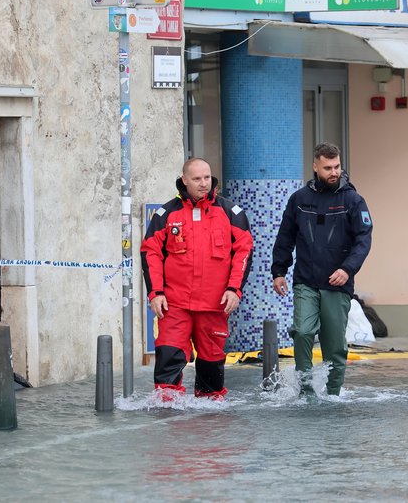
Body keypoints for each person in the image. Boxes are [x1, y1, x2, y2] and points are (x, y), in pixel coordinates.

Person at [141, 158, 253, 400]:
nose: (204, 184)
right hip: (175, 304)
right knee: (168, 358)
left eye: (207, 178)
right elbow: (150, 254)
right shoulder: (166, 214)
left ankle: (210, 424)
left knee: (212, 368)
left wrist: (235, 289)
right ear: (184, 180)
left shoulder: (231, 213)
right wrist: (155, 293)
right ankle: (167, 417)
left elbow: (244, 253)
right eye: (197, 179)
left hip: (214, 305)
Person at [271, 142, 373, 396]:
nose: (334, 172)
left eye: (337, 166)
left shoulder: (353, 200)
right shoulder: (299, 199)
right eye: (327, 167)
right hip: (306, 281)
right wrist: (279, 271)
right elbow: (285, 237)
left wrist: (347, 270)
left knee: (334, 346)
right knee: (303, 332)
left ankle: (333, 394)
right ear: (315, 166)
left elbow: (364, 239)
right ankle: (306, 392)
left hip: (338, 283)